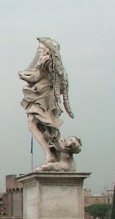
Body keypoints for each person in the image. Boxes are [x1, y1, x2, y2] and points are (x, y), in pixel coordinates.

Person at [18, 37, 81, 172]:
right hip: (44, 94)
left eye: (42, 48)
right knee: (41, 125)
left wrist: (23, 76)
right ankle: (52, 153)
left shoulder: (45, 60)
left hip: (42, 95)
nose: (41, 51)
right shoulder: (53, 64)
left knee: (35, 124)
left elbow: (35, 77)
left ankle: (50, 154)